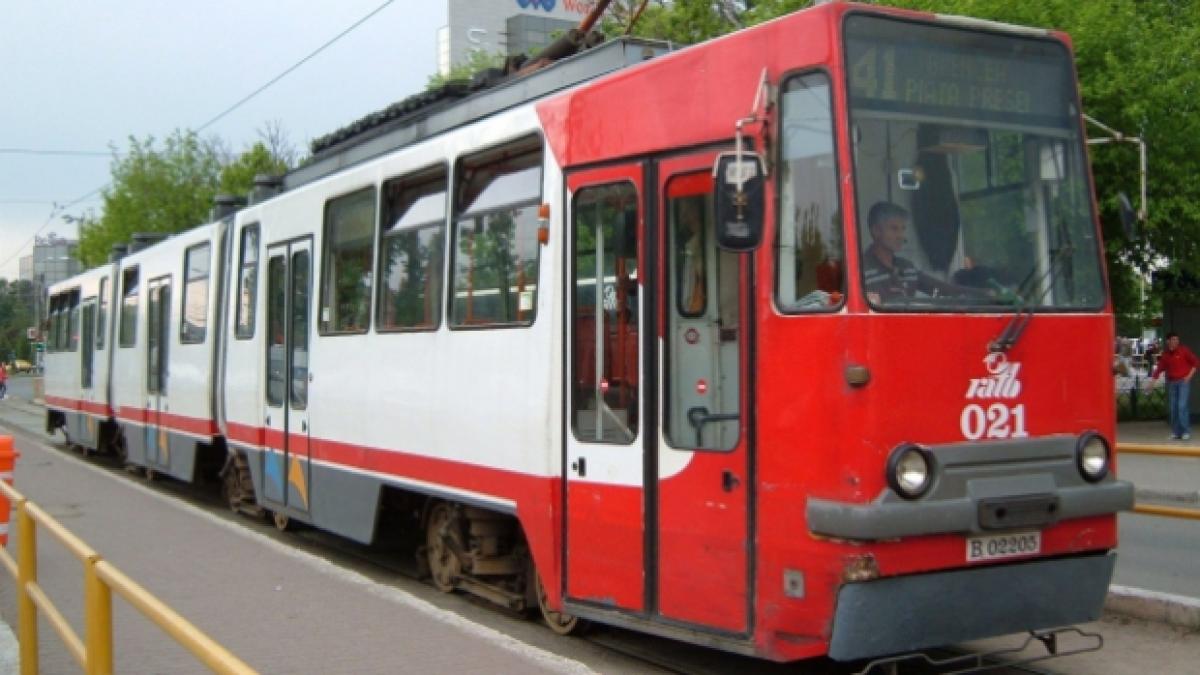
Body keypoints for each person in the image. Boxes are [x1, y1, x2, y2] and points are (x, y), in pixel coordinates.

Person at [862, 201, 985, 304]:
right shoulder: (860, 271)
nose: (901, 236)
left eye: (903, 229)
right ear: (876, 231)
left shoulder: (907, 267)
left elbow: (943, 289)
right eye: (894, 229)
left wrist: (986, 294)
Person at [1147, 332, 1199, 440]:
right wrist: (1151, 383)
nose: (1176, 341)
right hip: (1172, 383)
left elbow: (1196, 362)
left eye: (1177, 339)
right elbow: (1159, 369)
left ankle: (1185, 431)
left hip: (1183, 382)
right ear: (1168, 341)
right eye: (1173, 339)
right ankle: (1176, 432)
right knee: (1174, 408)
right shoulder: (1166, 355)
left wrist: (1189, 376)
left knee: (1182, 406)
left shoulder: (1184, 350)